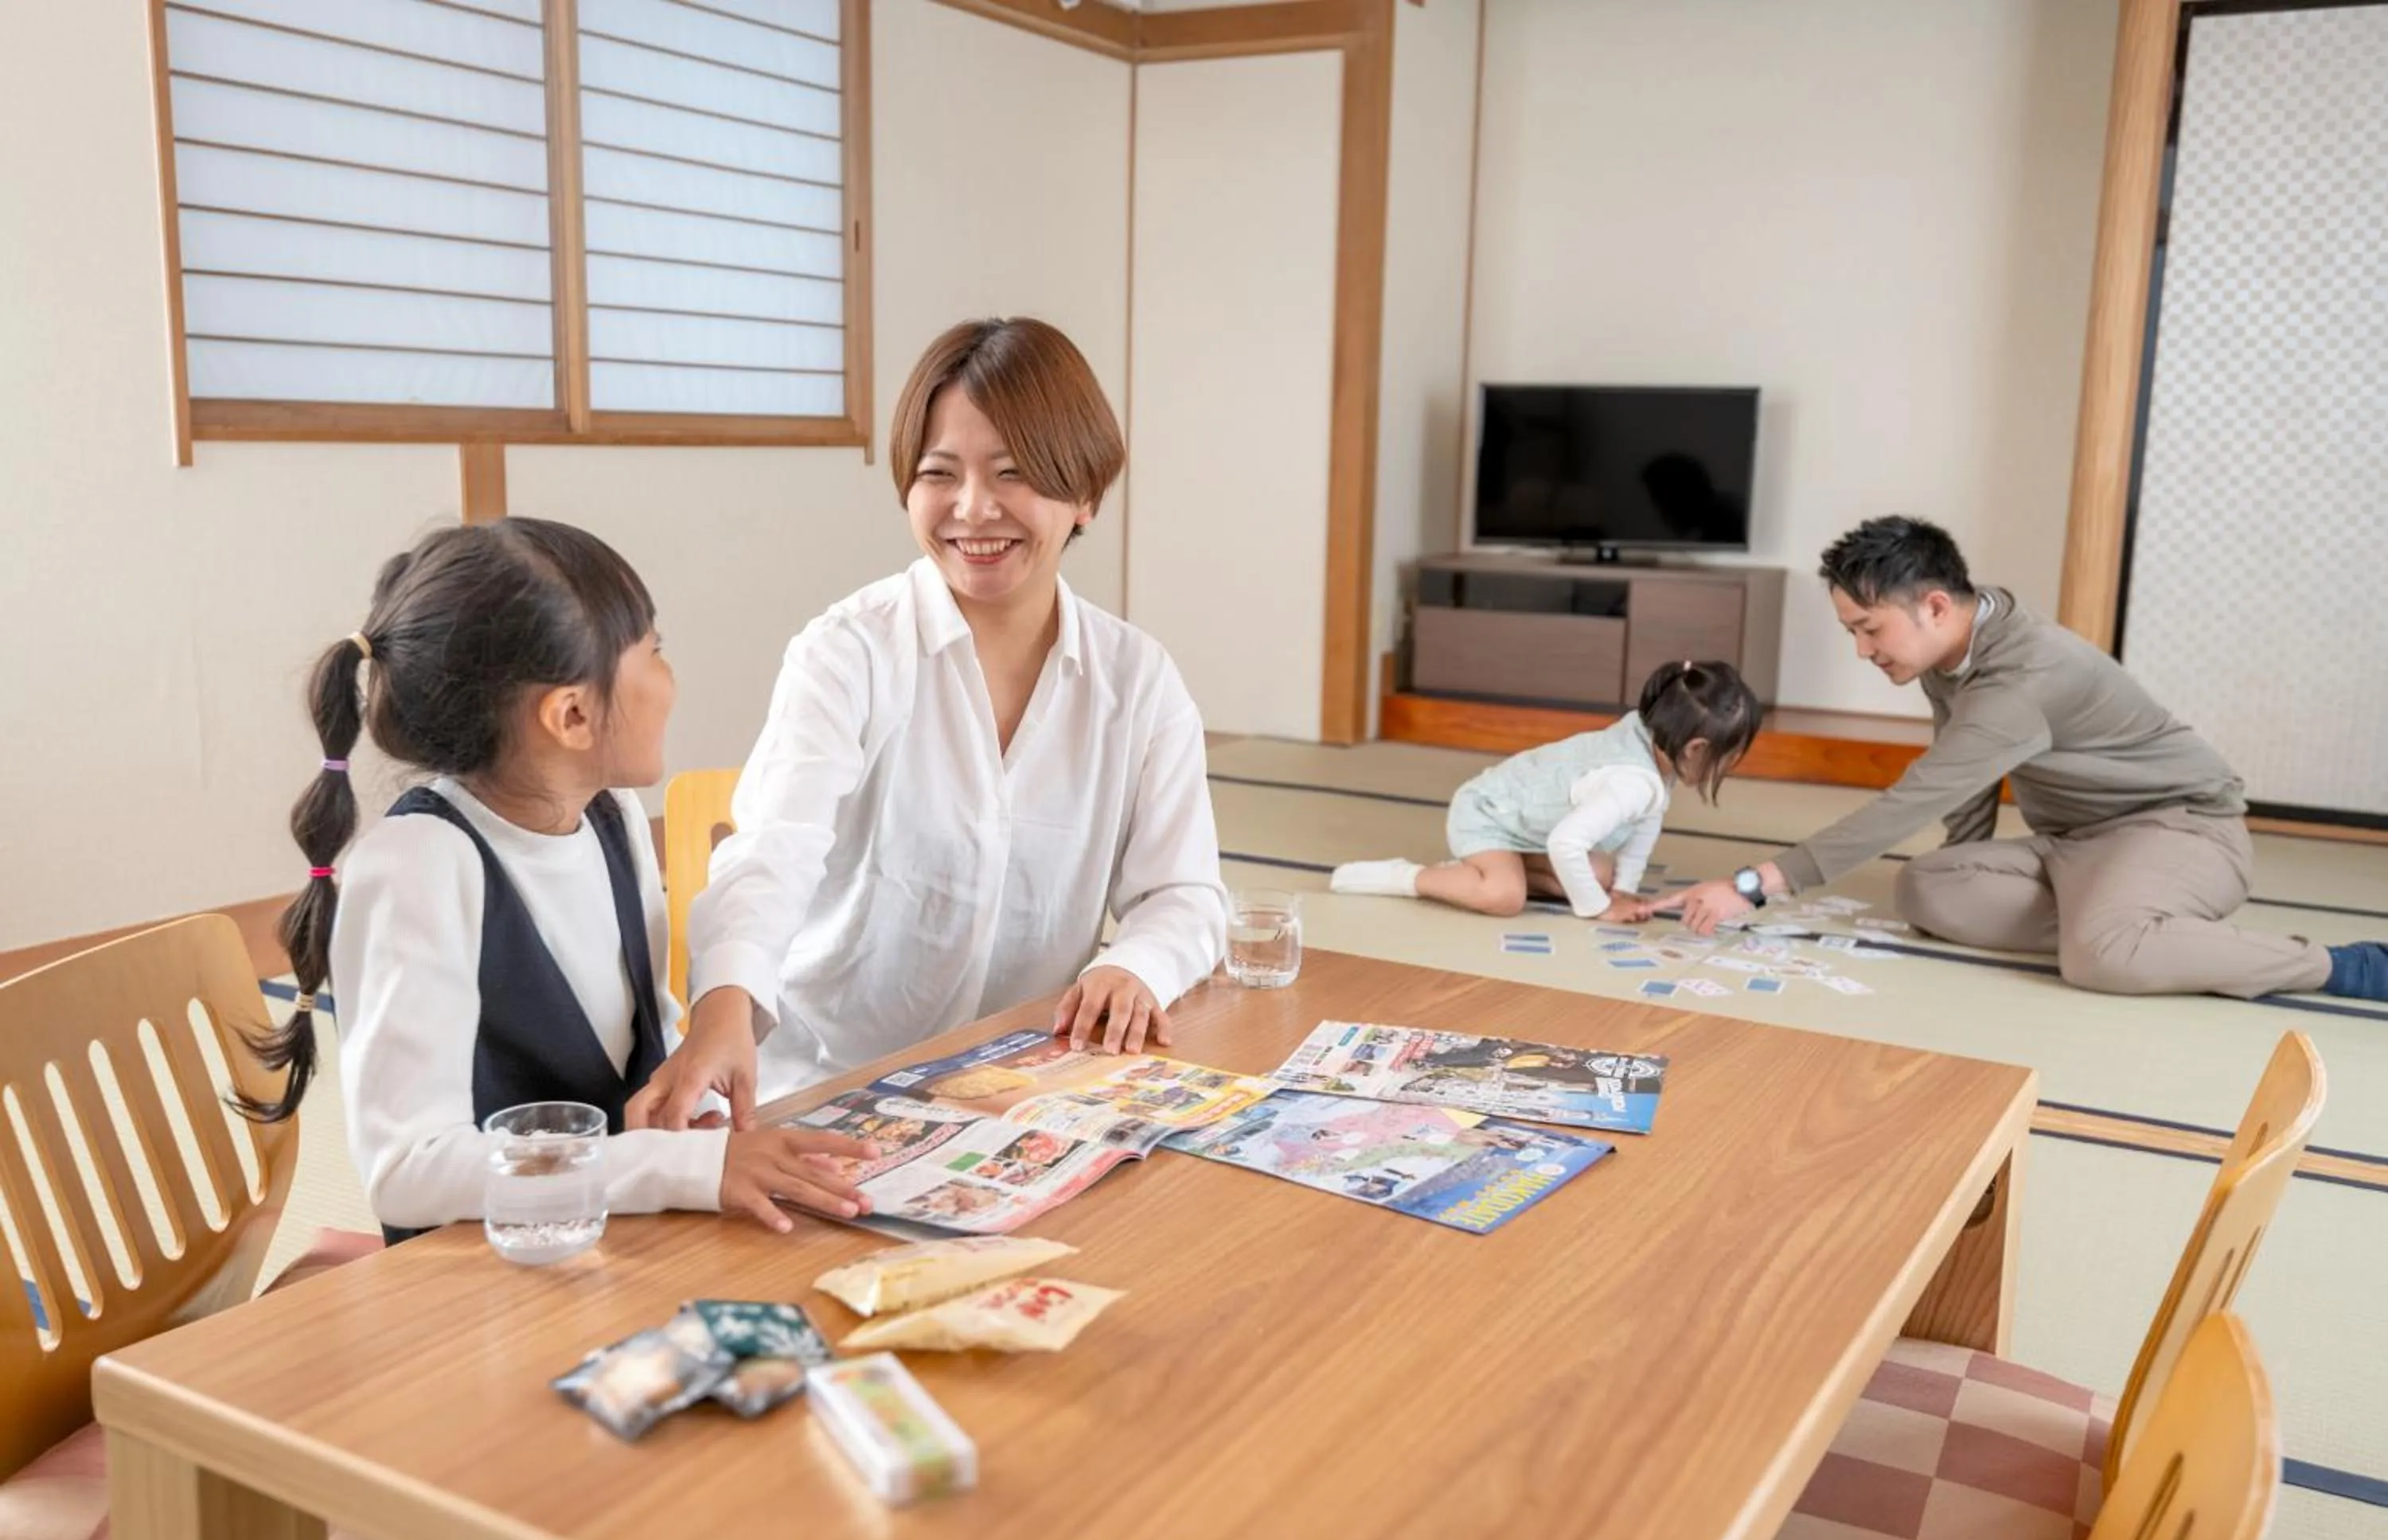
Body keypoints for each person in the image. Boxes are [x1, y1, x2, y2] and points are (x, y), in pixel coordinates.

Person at [634, 318, 1231, 1130]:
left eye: (1014, 473)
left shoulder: (1138, 680)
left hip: (1026, 1093)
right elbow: (774, 851)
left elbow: (1184, 891)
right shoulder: (848, 652)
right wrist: (725, 1006)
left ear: (1086, 493)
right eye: (938, 473)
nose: (972, 508)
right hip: (827, 1093)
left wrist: (1137, 967)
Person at [253, 519, 878, 1242]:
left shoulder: (609, 816)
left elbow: (636, 1040)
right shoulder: (418, 865)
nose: (671, 681)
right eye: (655, 652)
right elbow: (408, 1170)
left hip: (614, 1244)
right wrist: (686, 1171)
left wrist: (686, 1108)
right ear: (573, 713)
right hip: (484, 1283)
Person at [1657, 516, 2388, 1002]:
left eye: (1869, 629)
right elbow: (1963, 773)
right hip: (2074, 847)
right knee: (1925, 890)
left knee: (2102, 959)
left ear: (1935, 605)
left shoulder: (2027, 676)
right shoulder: (1954, 650)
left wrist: (1753, 885)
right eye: (1852, 631)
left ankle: (2341, 965)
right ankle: (2120, 920)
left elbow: (1916, 794)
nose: (1863, 650)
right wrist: (1962, 865)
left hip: (2180, 832)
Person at [1330, 660, 1762, 920]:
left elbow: (1646, 825)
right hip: (1486, 814)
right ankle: (1408, 877)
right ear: (1696, 748)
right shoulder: (1632, 781)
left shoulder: (1649, 740)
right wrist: (1599, 908)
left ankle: (1487, 868)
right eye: (1729, 757)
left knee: (1601, 875)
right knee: (1504, 897)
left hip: (1523, 824)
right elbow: (1565, 841)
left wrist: (1624, 889)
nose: (1730, 766)